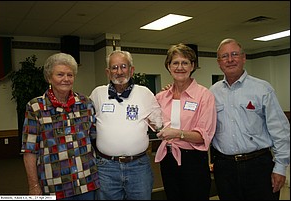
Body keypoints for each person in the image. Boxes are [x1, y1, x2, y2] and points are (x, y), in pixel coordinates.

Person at [209, 38, 290, 200]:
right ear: (219, 62)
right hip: (225, 168)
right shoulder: (212, 92)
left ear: (244, 58)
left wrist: (280, 168)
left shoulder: (262, 89)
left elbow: (280, 130)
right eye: (224, 56)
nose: (230, 60)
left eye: (234, 54)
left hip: (258, 166)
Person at [21, 53, 100, 200]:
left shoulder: (85, 103)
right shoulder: (35, 107)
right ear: (49, 78)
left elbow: (95, 139)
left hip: (86, 183)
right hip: (54, 187)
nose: (66, 79)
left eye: (70, 75)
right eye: (60, 74)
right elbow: (29, 150)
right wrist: (34, 186)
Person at [89, 50, 163, 200]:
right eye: (114, 67)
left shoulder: (144, 93)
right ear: (108, 72)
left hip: (138, 166)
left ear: (131, 69)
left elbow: (159, 124)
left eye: (123, 66)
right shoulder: (98, 94)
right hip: (106, 168)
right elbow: (85, 123)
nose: (119, 71)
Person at [154, 43, 217, 200]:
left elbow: (204, 136)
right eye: (175, 62)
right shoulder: (161, 97)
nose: (180, 67)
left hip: (193, 161)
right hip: (168, 159)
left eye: (185, 62)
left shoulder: (204, 95)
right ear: (168, 66)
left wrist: (177, 133)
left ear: (192, 66)